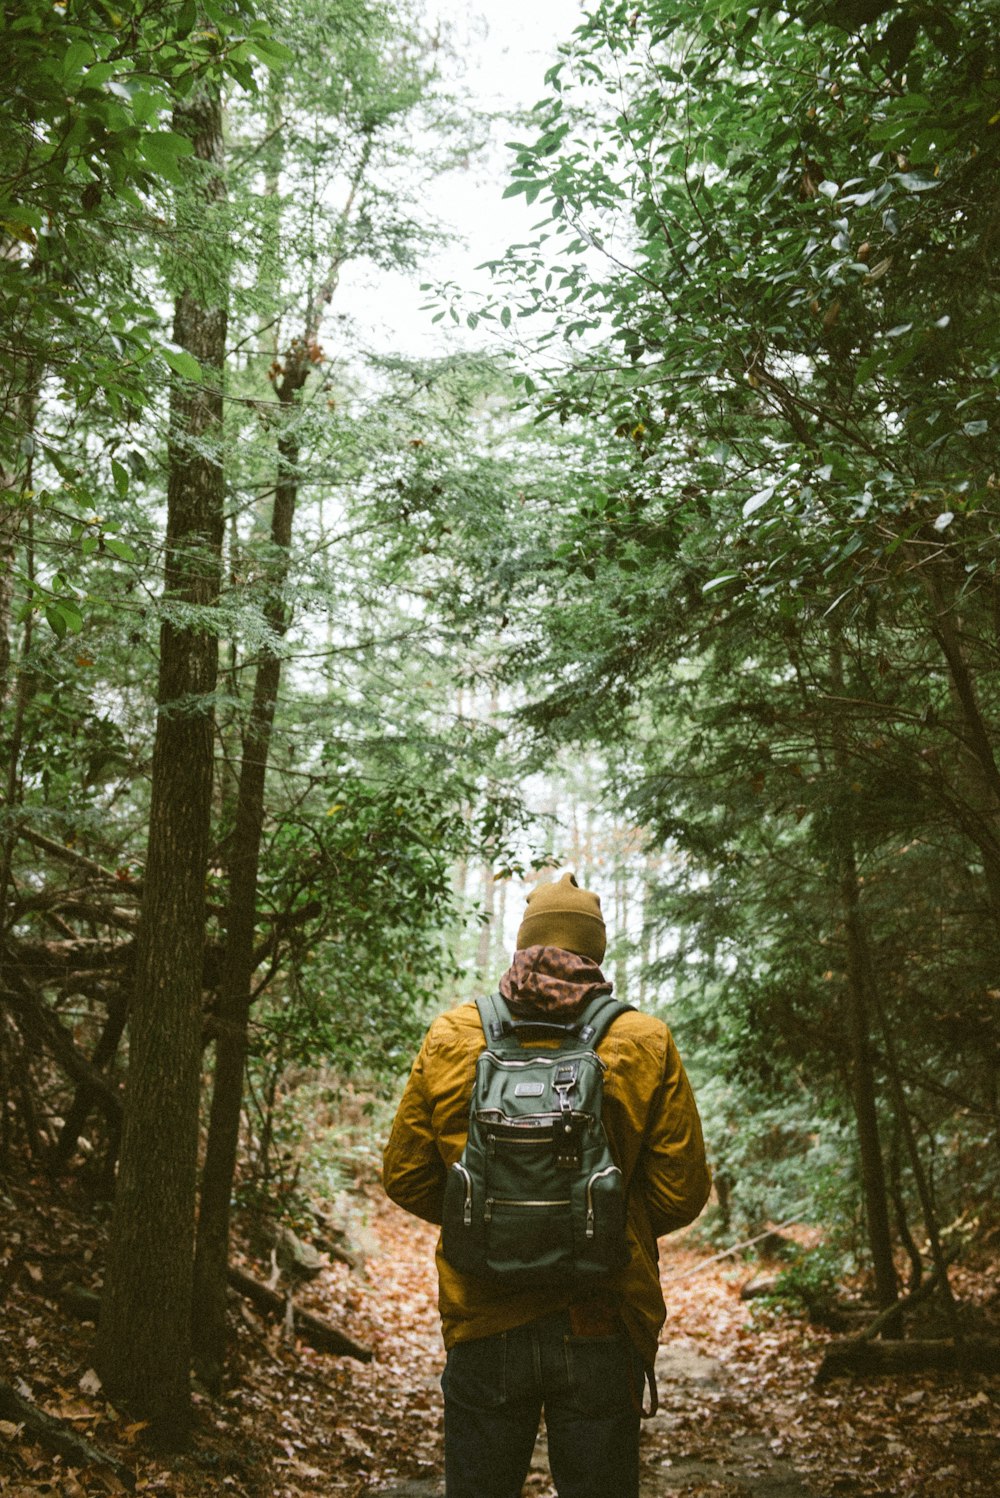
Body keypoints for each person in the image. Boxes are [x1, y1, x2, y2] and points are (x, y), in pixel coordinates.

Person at [382, 871, 711, 1498]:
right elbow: (681, 1192)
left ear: (523, 945)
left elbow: (404, 1177)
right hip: (600, 1313)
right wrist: (597, 1221)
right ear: (595, 953)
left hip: (483, 1313)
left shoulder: (454, 1035)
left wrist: (487, 1221)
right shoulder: (643, 1040)